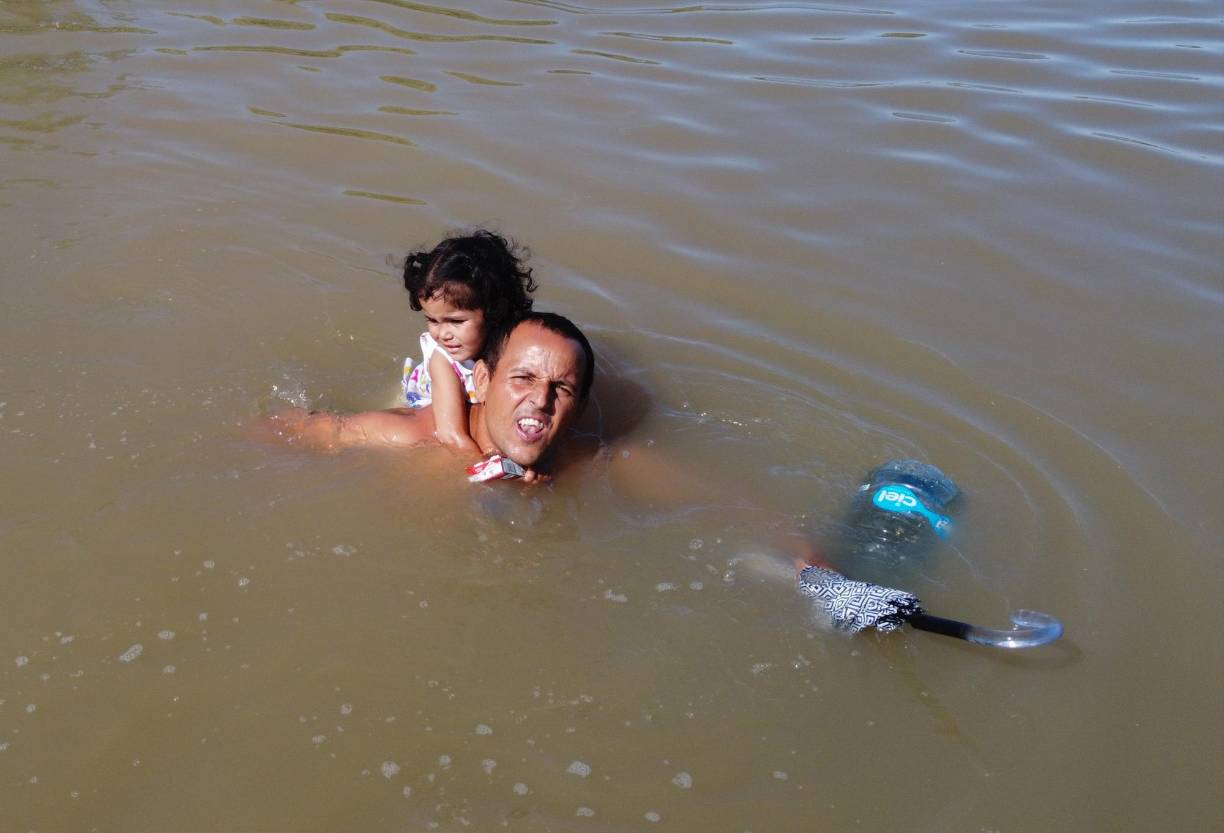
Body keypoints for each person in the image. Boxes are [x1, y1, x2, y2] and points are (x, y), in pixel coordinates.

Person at [264, 312, 595, 480]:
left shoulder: (578, 459)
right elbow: (275, 429)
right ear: (482, 380)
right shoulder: (409, 437)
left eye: (562, 388)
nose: (541, 399)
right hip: (421, 397)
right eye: (523, 378)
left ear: (579, 409)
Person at [398, 229, 536, 460]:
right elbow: (451, 435)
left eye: (455, 321)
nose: (442, 334)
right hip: (427, 398)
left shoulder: (515, 341)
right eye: (432, 320)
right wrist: (484, 467)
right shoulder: (443, 358)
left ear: (496, 310)